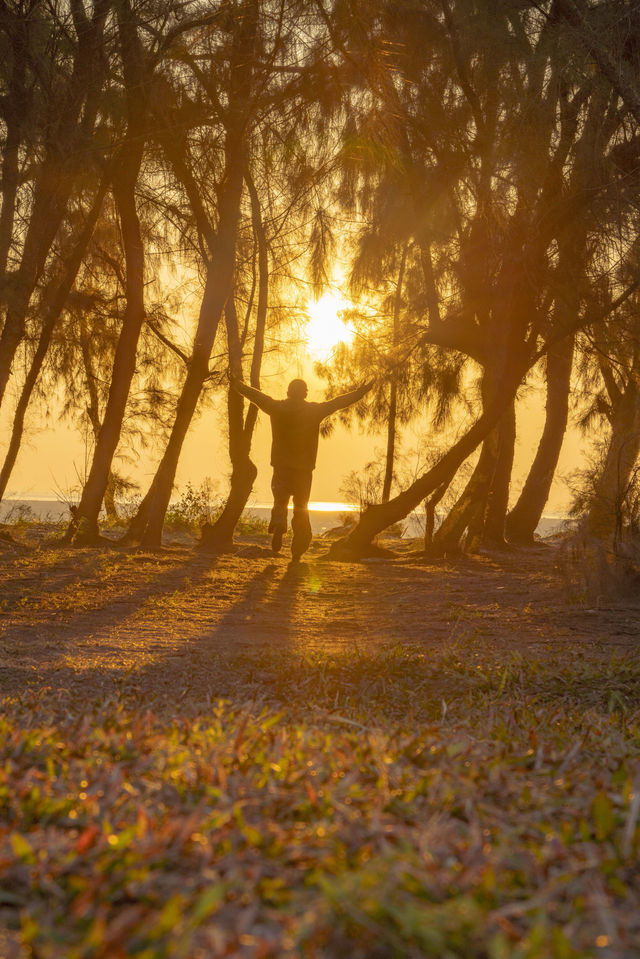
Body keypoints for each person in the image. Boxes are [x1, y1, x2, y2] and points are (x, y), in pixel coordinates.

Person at [231, 376, 373, 560]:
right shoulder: (314, 411)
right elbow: (338, 403)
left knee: (280, 501)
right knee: (301, 507)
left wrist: (238, 385)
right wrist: (360, 392)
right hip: (303, 470)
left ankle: (279, 522)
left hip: (281, 467)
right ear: (305, 394)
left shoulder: (276, 407)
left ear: (288, 392)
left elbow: (256, 397)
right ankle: (298, 550)